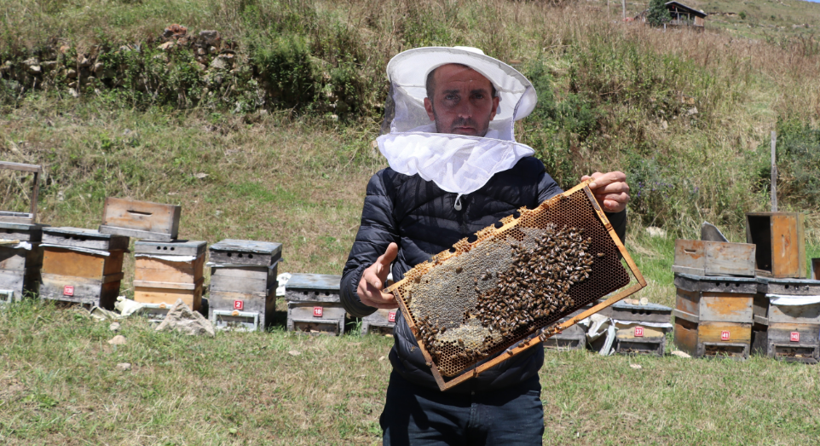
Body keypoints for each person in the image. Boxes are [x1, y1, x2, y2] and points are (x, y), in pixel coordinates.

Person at [340, 47, 630, 445]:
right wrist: (365, 288)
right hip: (421, 399)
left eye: (478, 96)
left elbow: (586, 255)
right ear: (429, 106)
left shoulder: (527, 175)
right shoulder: (392, 181)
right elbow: (354, 284)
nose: (464, 109)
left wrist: (607, 210)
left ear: (495, 106)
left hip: (511, 397)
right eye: (451, 96)